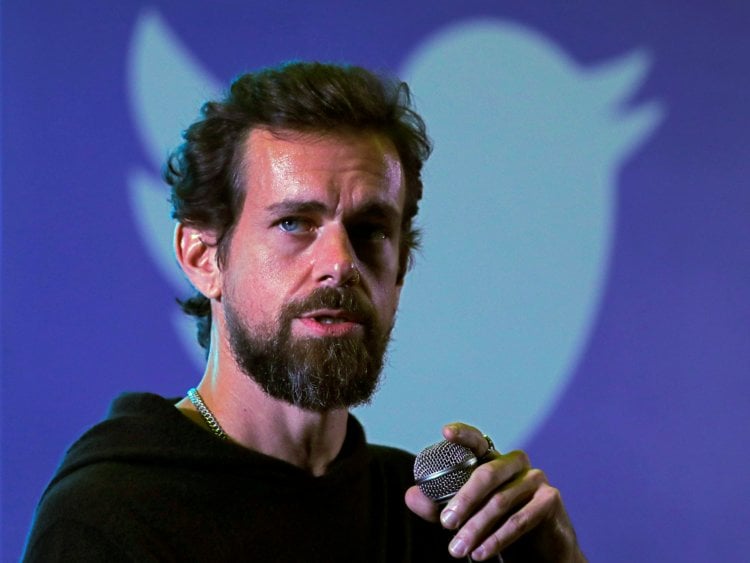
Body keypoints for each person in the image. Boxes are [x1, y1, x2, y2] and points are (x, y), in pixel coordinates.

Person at [24, 61, 585, 562]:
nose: (340, 263)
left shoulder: (437, 519)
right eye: (294, 223)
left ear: (400, 269)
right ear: (203, 258)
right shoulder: (110, 517)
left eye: (370, 230)